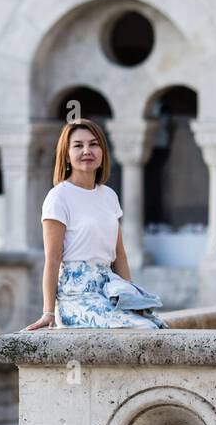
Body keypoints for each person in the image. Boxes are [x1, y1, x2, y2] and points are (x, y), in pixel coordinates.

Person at [22, 118, 167, 331]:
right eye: (78, 146)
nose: (87, 150)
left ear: (102, 152)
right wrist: (48, 312)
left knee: (158, 325)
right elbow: (52, 259)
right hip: (76, 297)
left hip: (110, 289)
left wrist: (128, 295)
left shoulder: (109, 196)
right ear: (67, 155)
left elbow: (119, 255)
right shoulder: (58, 197)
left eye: (93, 144)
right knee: (144, 330)